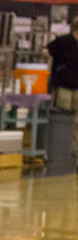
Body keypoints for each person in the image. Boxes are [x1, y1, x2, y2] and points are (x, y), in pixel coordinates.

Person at [43, 15, 78, 157]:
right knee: (63, 115)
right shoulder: (63, 41)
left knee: (76, 119)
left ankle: (74, 147)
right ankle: (61, 146)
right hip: (64, 84)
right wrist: (48, 58)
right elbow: (46, 51)